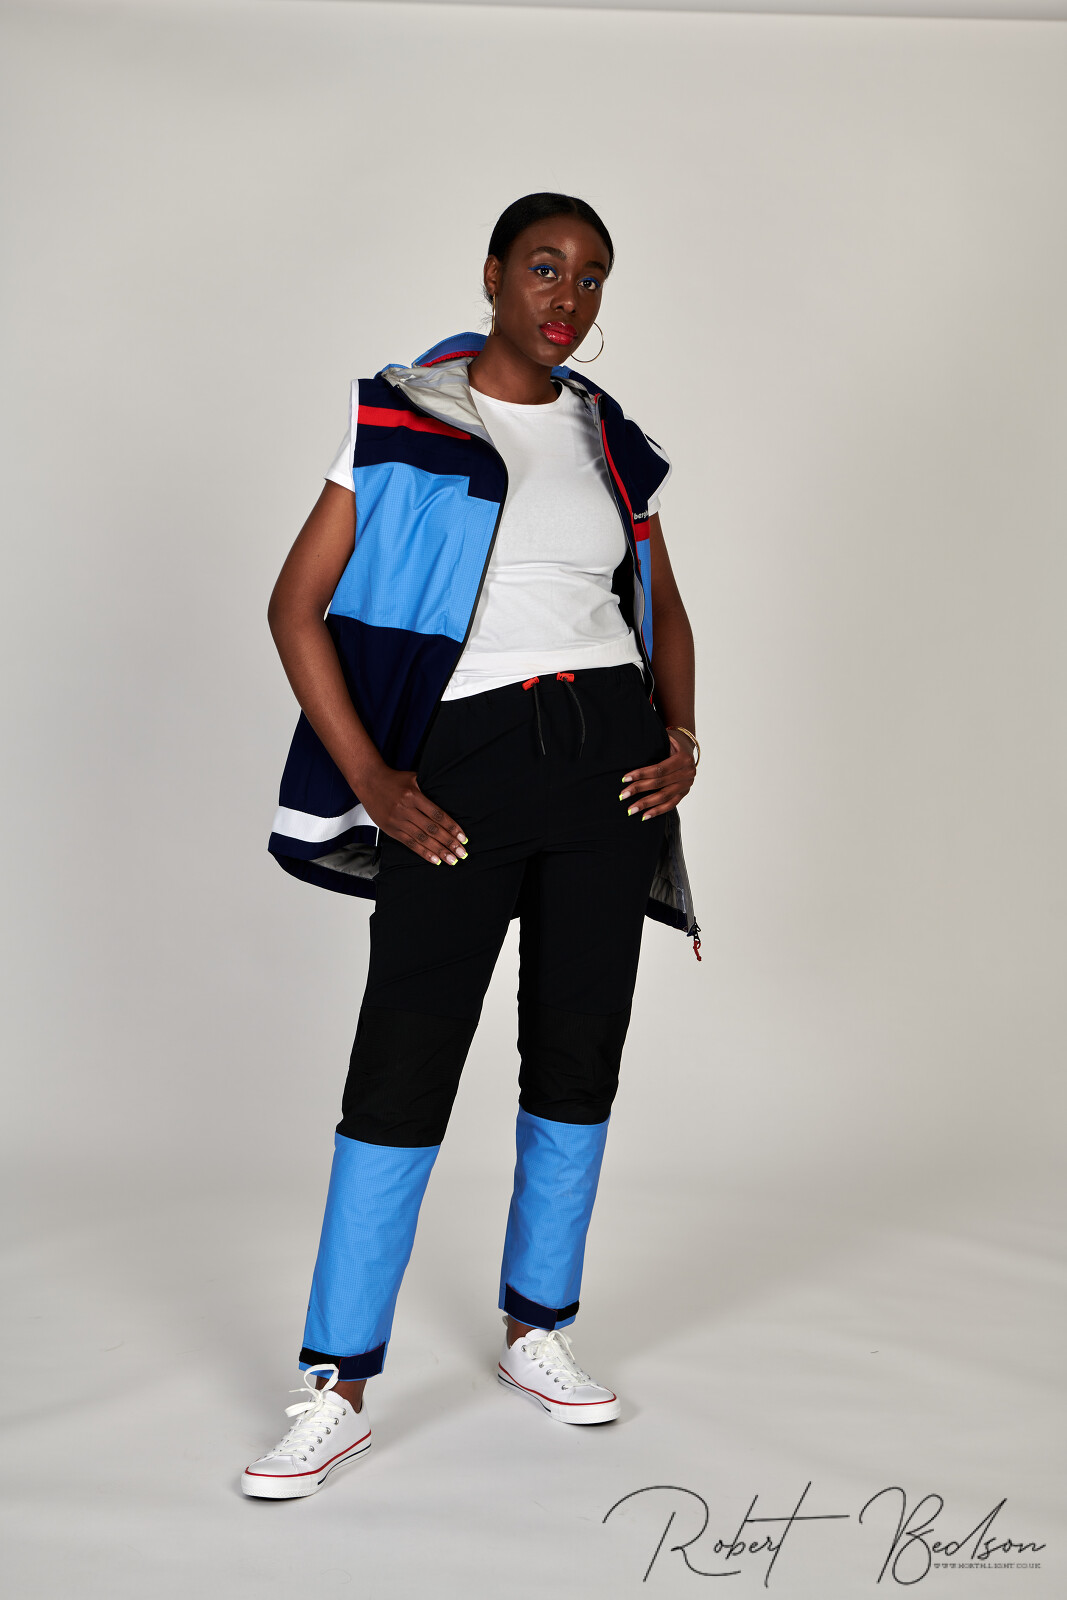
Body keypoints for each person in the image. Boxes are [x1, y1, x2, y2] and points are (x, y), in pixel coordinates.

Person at [241, 193, 701, 1499]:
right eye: (545, 267)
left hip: (607, 764)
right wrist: (373, 778)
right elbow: (294, 606)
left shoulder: (609, 438)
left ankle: (537, 1327)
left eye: (593, 276)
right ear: (494, 274)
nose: (568, 296)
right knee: (406, 1054)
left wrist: (682, 736)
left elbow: (662, 605)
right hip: (466, 764)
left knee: (577, 1046)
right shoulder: (401, 417)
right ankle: (336, 1383)